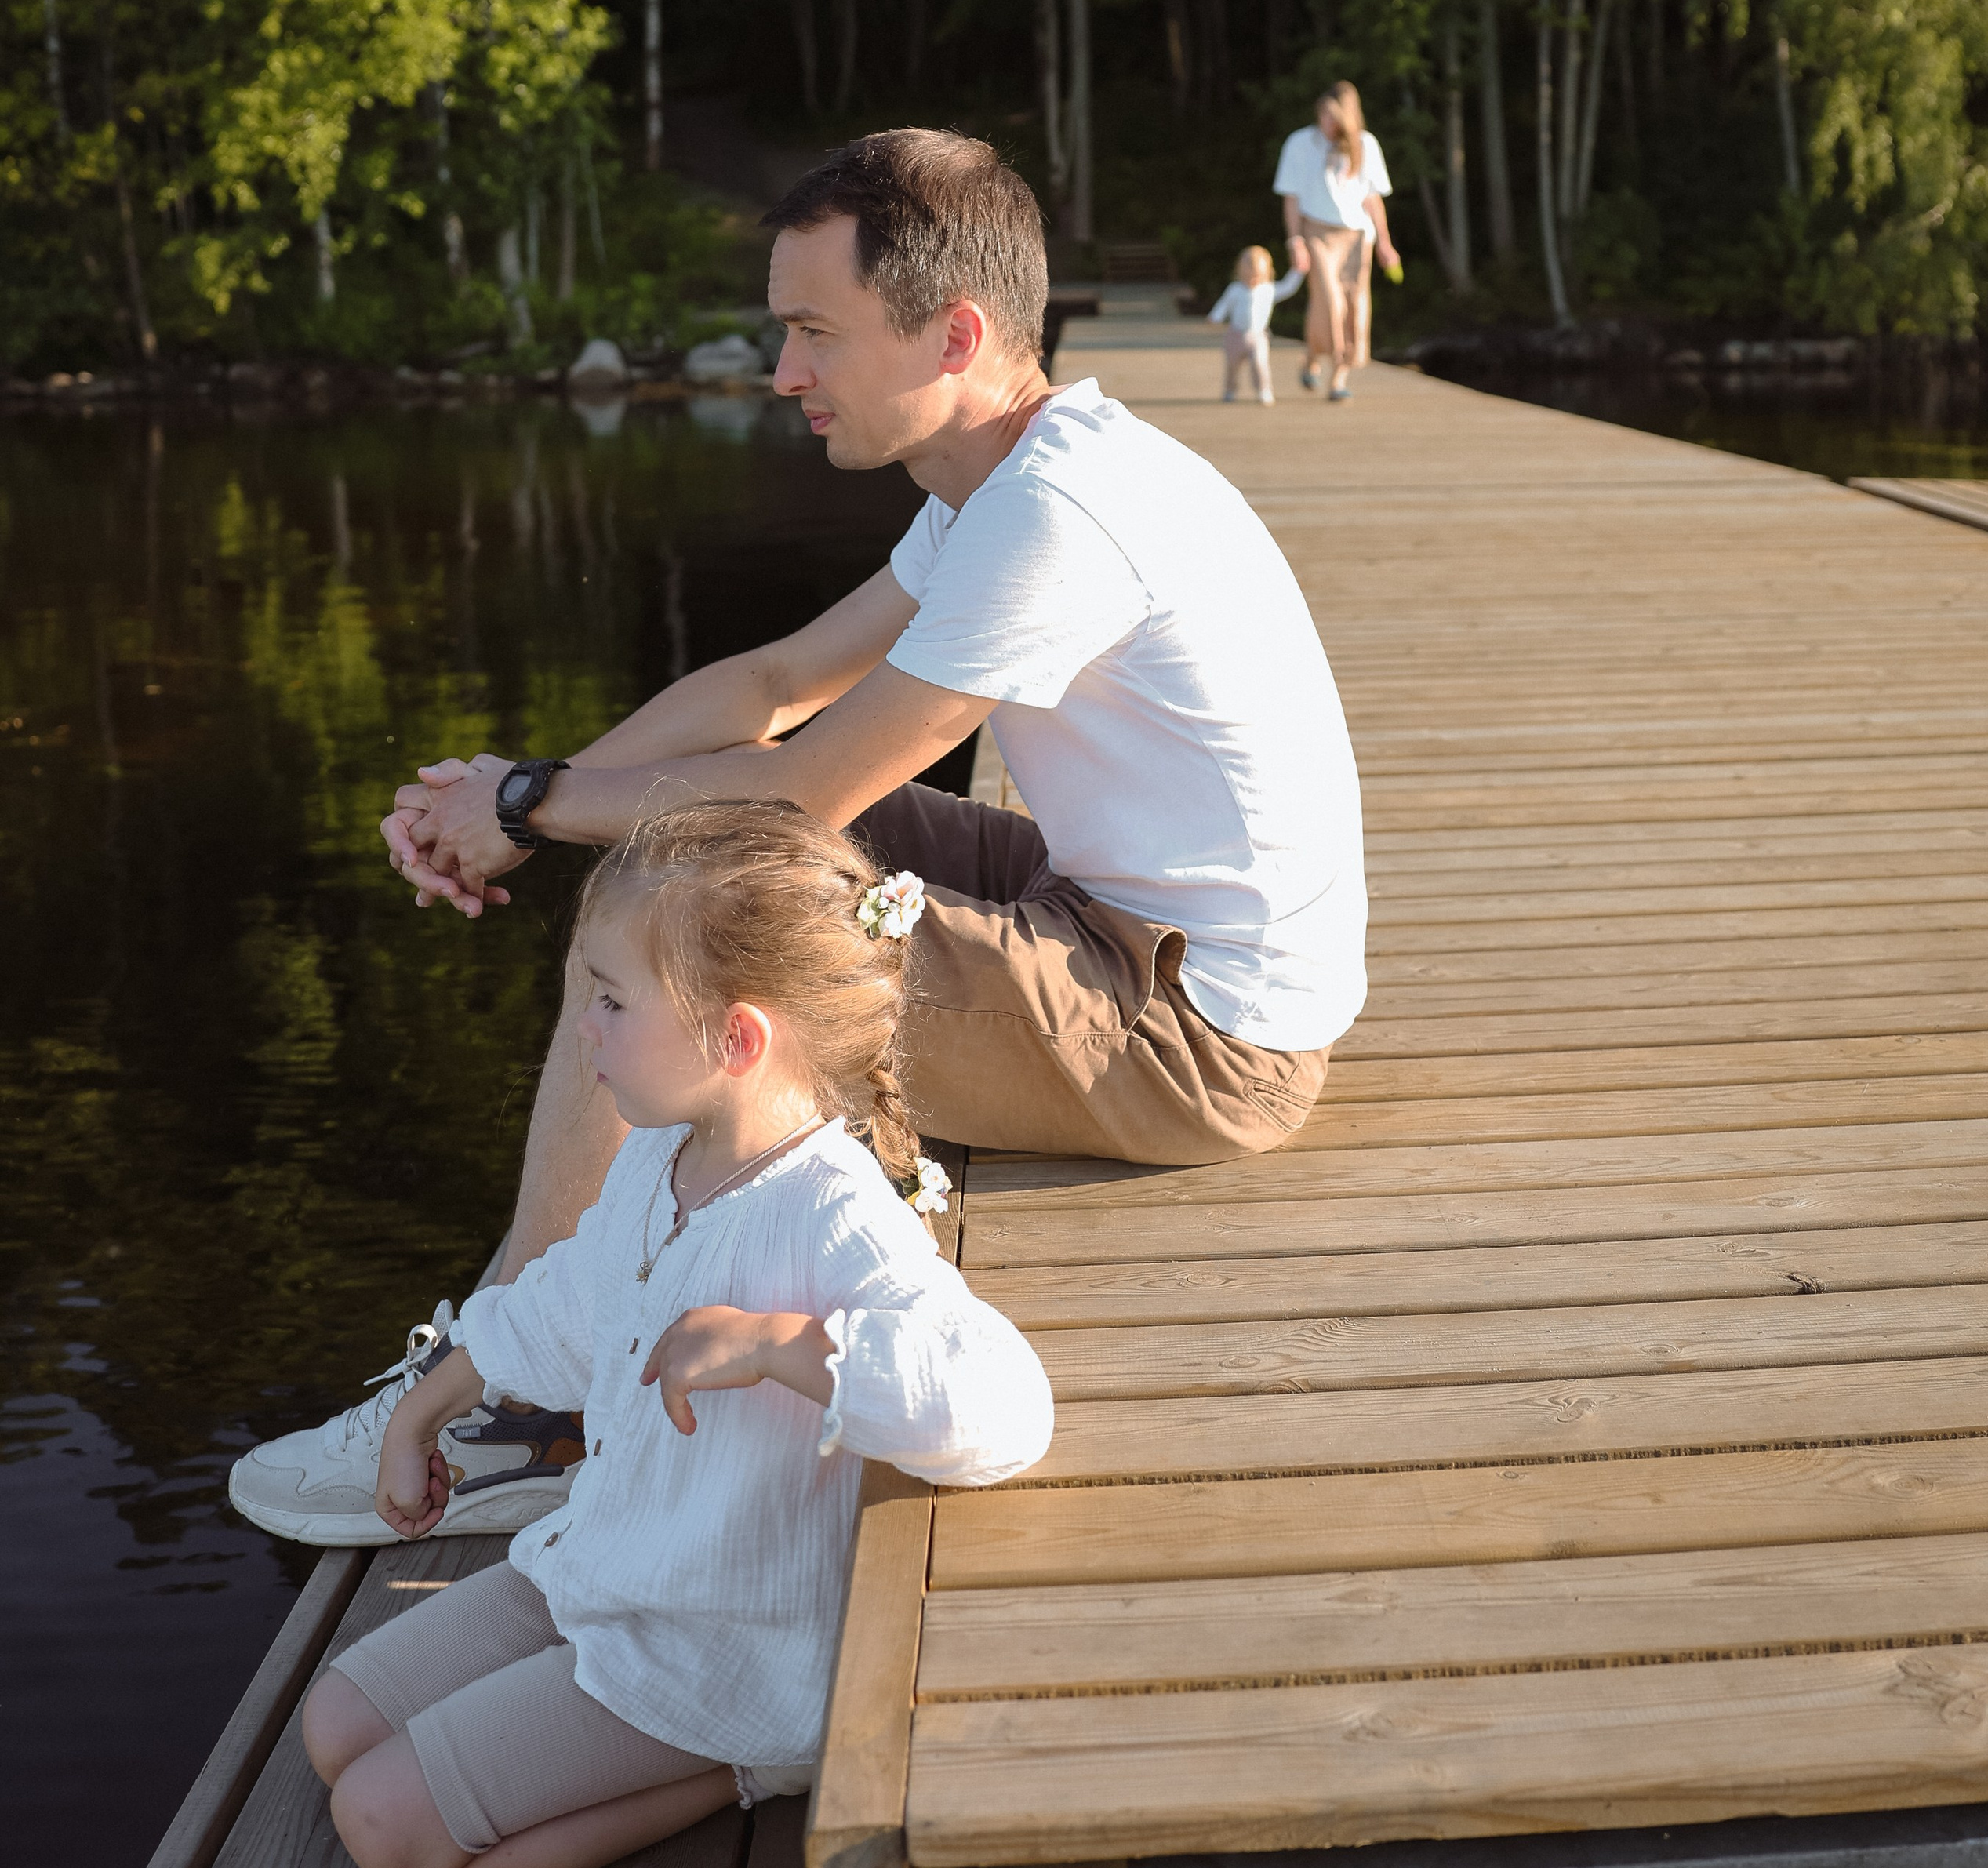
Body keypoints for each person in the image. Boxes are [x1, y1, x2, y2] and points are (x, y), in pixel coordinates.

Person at [230, 127, 1368, 1550]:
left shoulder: (1057, 515)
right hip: (1123, 924)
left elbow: (799, 794)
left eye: (814, 333)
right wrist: (528, 792)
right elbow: (774, 688)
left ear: (952, 334)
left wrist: (524, 811)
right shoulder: (1011, 478)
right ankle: (562, 1337)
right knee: (711, 830)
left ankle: (519, 1406)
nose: (783, 376)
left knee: (692, 894)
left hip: (1198, 1035)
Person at [299, 800, 1051, 1868]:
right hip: (602, 1560)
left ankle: (747, 1765)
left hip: (715, 1636)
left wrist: (783, 1342)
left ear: (736, 1039)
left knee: (386, 1831)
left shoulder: (833, 1210)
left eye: (609, 1001)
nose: (585, 1031)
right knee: (334, 1727)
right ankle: (663, 1735)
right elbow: (566, 1305)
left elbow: (1004, 1407)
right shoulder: (661, 1156)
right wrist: (423, 1413)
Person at [1272, 82, 1401, 401]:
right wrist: (1295, 241)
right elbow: (1292, 198)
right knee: (1328, 301)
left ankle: (1338, 378)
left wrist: (1385, 242)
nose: (1328, 124)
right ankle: (1314, 359)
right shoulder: (1301, 143)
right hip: (1317, 232)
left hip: (1357, 235)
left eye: (1334, 118)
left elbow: (1372, 199)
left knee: (1353, 305)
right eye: (1324, 116)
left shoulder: (1365, 145)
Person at [1207, 244, 1303, 405]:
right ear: (1239, 272)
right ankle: (1230, 390)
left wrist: (1298, 271)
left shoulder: (1268, 289)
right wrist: (1215, 317)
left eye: (1256, 276)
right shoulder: (1235, 289)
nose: (1252, 280)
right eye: (1248, 275)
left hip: (1258, 336)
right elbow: (1224, 304)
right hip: (1235, 336)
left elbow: (1288, 287)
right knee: (1232, 367)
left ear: (1266, 273)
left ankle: (1264, 390)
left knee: (1260, 364)